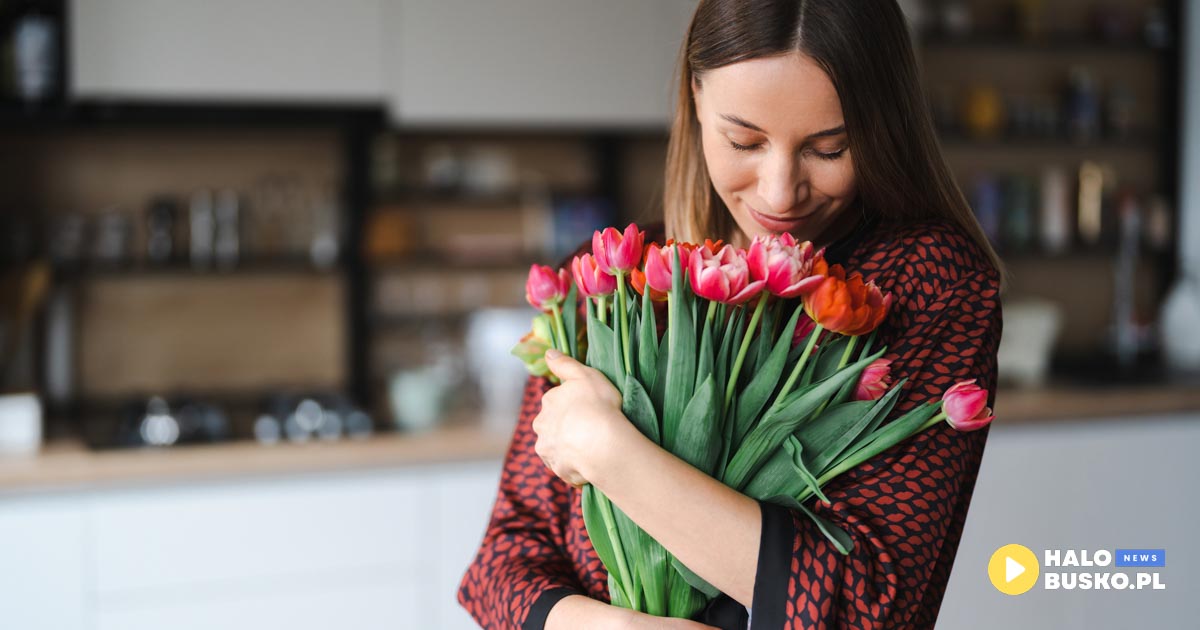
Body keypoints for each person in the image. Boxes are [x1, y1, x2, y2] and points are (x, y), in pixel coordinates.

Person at [458, 0, 1005, 628]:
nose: (780, 192)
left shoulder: (924, 281)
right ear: (695, 99)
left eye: (829, 149)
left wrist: (610, 453)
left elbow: (868, 606)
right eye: (744, 141)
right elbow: (500, 565)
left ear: (883, 126)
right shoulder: (612, 283)